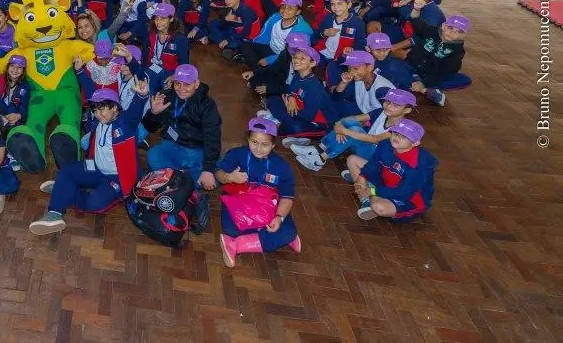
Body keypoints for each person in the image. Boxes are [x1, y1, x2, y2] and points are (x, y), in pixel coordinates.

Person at [29, 83, 150, 235]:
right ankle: (54, 214)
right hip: (97, 167)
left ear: (115, 107)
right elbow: (90, 90)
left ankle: (63, 189)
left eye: (102, 109)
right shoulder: (97, 122)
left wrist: (141, 97)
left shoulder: (126, 125)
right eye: (94, 110)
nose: (98, 114)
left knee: (94, 204)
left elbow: (134, 113)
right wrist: (80, 72)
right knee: (66, 171)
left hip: (117, 178)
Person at [214, 117, 300, 267]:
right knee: (231, 229)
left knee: (281, 227)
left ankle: (236, 245)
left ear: (273, 145)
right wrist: (229, 177)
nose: (258, 148)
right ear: (248, 138)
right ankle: (282, 237)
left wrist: (279, 217)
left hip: (267, 206)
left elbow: (286, 197)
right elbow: (218, 175)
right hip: (238, 204)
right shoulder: (236, 154)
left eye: (265, 144)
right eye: (254, 142)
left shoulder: (282, 166)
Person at [292, 87, 415, 174]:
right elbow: (356, 118)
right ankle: (319, 148)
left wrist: (344, 131)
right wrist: (339, 124)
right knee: (350, 123)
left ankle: (320, 160)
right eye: (388, 102)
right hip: (366, 146)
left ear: (407, 110)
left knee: (354, 130)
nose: (388, 106)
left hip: (375, 157)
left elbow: (375, 139)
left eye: (396, 105)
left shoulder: (400, 128)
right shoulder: (382, 112)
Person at [141, 64, 222, 190]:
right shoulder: (167, 96)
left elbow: (213, 138)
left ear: (196, 83)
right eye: (177, 83)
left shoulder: (207, 105)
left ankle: (171, 179)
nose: (181, 89)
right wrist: (154, 113)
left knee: (209, 176)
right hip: (174, 145)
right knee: (153, 155)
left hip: (198, 149)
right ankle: (180, 181)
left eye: (187, 84)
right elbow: (150, 128)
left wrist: (208, 169)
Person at [352, 119, 437, 222]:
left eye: (404, 136)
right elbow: (373, 165)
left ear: (415, 143)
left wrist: (373, 191)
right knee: (352, 160)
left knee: (379, 207)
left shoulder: (419, 164)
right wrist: (362, 177)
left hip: (408, 196)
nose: (397, 137)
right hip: (386, 181)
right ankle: (366, 199)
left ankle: (370, 198)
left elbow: (405, 192)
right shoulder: (385, 144)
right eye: (395, 133)